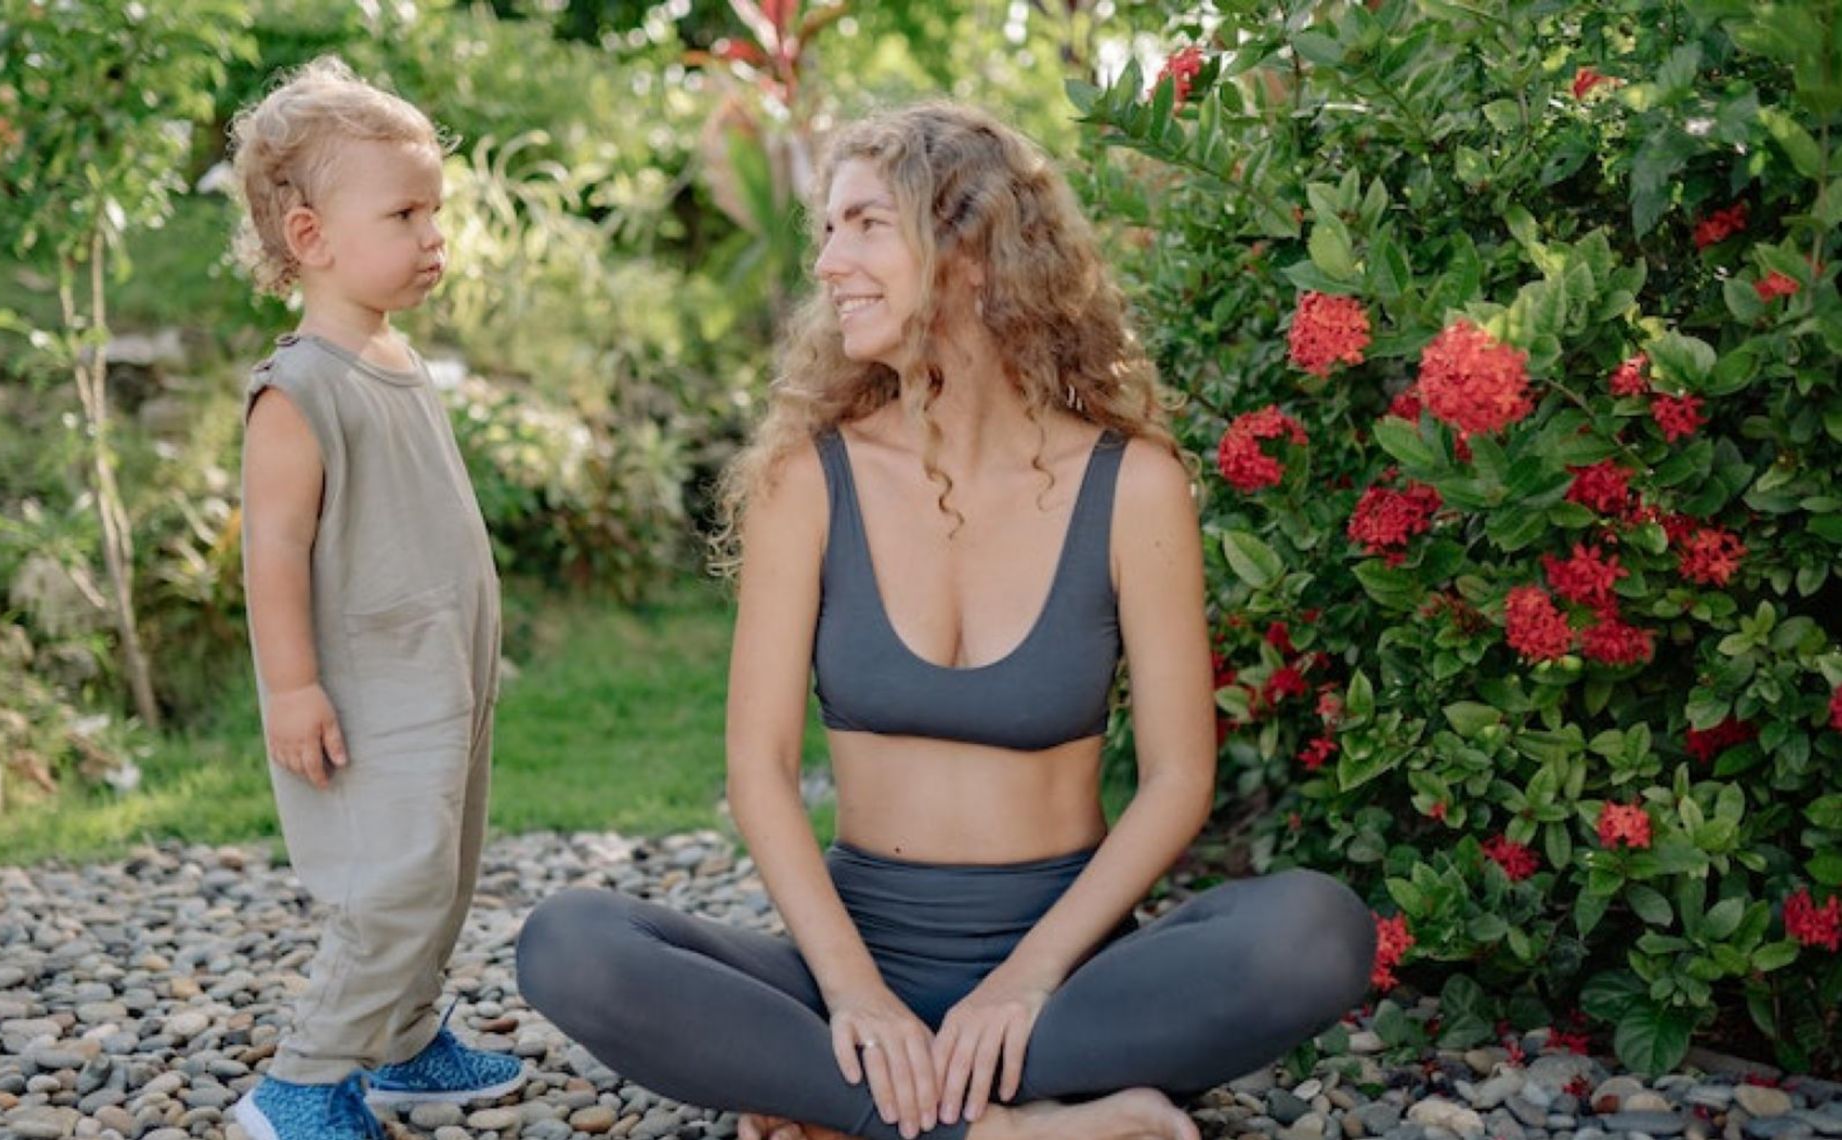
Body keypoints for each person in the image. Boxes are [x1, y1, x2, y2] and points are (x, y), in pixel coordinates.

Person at [516, 102, 1375, 1140]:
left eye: (865, 225)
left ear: (970, 249)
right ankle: (1011, 1126)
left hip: (1066, 978)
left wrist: (1022, 983)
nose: (829, 262)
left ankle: (858, 1107)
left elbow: (1178, 781)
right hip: (854, 955)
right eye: (827, 230)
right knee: (571, 942)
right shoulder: (810, 477)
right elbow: (758, 772)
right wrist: (854, 996)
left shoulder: (1130, 483)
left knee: (1315, 932)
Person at [227, 56, 523, 1140]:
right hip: (365, 691)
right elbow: (273, 552)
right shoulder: (301, 388)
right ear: (311, 238)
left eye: (436, 208)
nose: (433, 232)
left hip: (439, 677)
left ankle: (400, 1044)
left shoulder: (395, 357)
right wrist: (294, 688)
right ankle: (300, 1080)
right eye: (405, 211)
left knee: (443, 869)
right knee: (392, 882)